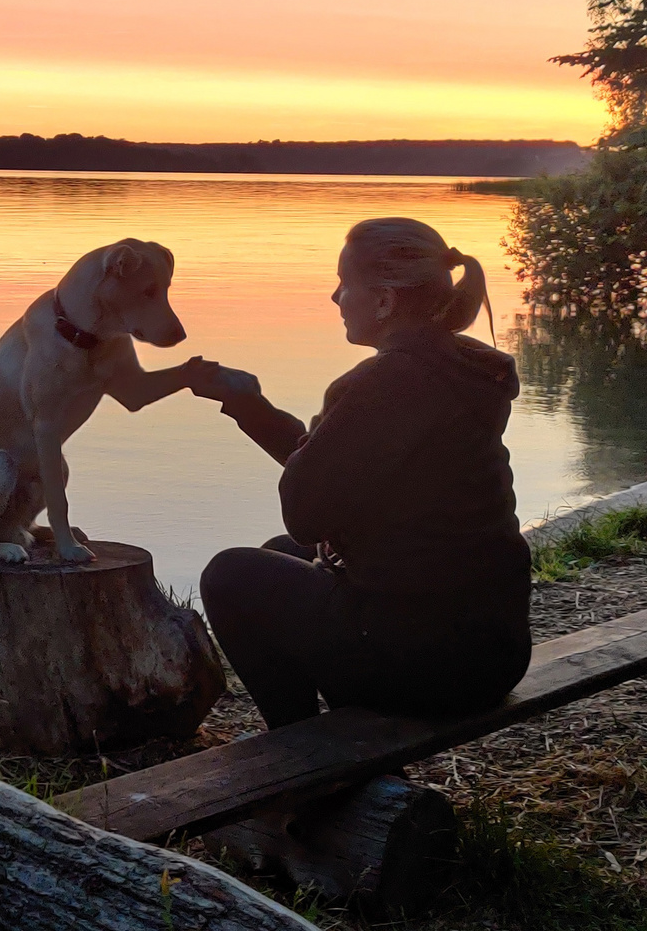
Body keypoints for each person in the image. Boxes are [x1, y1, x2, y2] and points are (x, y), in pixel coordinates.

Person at [184, 218, 531, 728]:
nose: (334, 296)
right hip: (493, 653)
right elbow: (344, 468)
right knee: (283, 553)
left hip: (430, 668)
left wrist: (273, 414)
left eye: (345, 284)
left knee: (231, 574)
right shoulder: (469, 368)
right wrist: (248, 404)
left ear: (386, 301)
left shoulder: (379, 384)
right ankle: (326, 755)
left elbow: (306, 509)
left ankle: (300, 756)